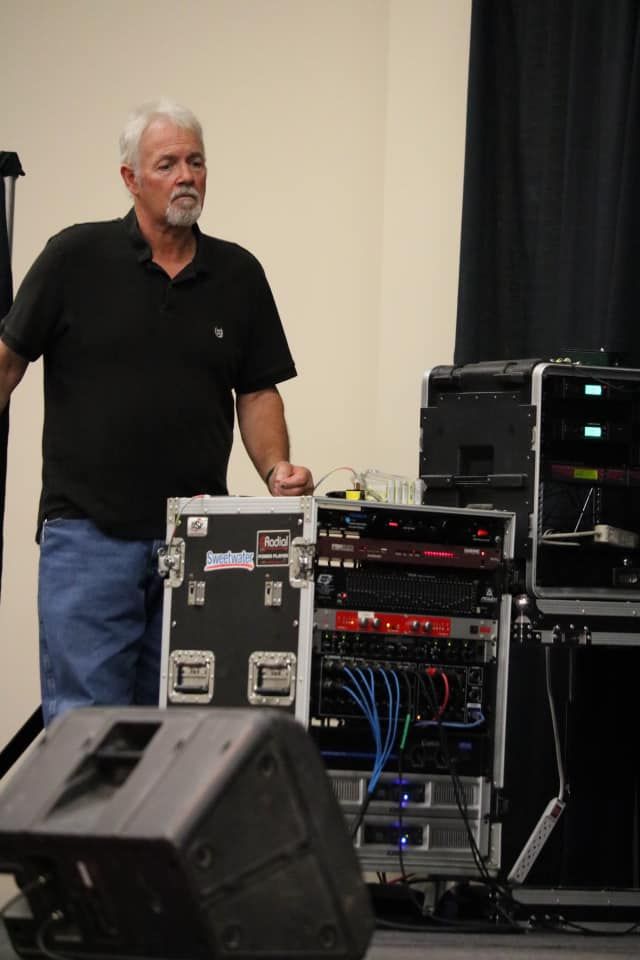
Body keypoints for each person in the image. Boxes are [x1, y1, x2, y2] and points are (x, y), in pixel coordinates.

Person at [0, 98, 313, 725]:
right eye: (167, 164)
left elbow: (257, 392)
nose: (186, 176)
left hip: (197, 544)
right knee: (86, 735)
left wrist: (275, 468)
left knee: (178, 733)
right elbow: (7, 364)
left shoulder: (238, 274)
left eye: (196, 162)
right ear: (130, 178)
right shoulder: (74, 258)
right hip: (89, 539)